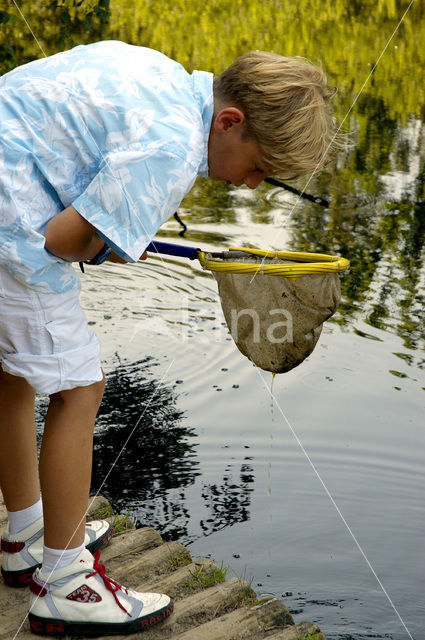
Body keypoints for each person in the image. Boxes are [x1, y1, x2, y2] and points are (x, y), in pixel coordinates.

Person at [0, 40, 336, 636]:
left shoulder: (164, 78)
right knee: (80, 389)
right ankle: (65, 582)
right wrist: (103, 243)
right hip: (11, 224)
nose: (253, 186)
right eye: (259, 168)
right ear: (230, 122)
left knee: (18, 372)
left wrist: (107, 232)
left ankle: (26, 531)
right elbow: (60, 241)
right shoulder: (171, 149)